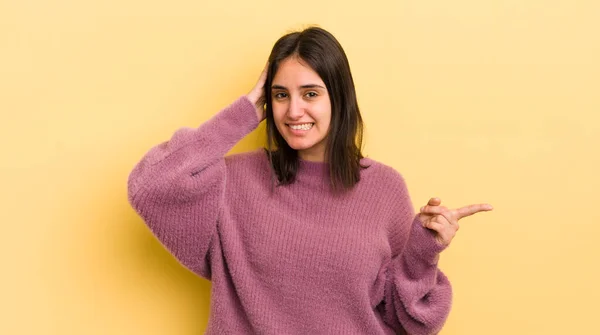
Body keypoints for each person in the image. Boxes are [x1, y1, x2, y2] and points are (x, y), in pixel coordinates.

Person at [127, 26, 492, 335]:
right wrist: (240, 116)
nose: (293, 111)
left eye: (311, 94)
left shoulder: (385, 188)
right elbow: (150, 186)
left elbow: (410, 320)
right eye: (280, 95)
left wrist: (422, 252)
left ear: (339, 97)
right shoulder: (233, 181)